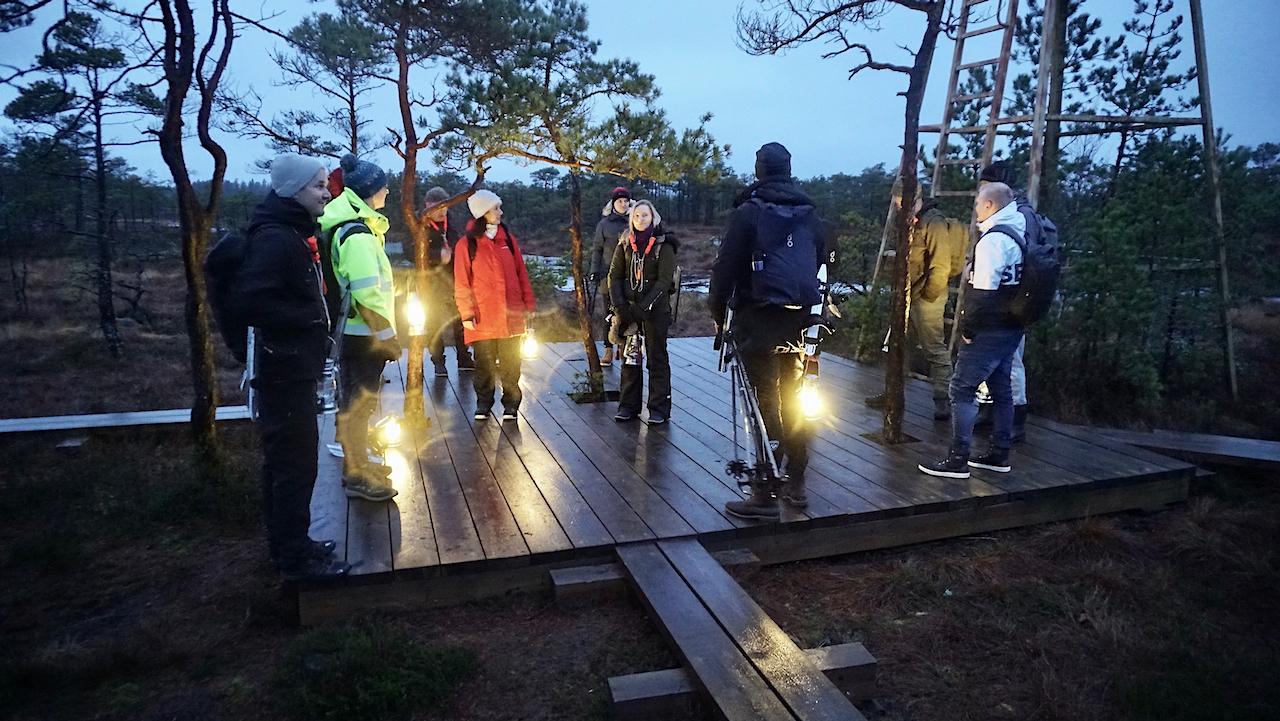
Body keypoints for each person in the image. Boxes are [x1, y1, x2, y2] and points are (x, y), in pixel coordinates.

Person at [234, 153, 349, 580]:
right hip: (283, 372)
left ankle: (291, 546)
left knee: (292, 463)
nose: (326, 191)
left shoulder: (291, 233)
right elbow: (251, 301)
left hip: (291, 369)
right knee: (294, 465)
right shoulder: (277, 239)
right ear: (293, 190)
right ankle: (294, 560)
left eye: (326, 184)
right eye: (319, 185)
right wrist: (309, 319)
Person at [710, 142, 828, 519]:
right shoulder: (810, 213)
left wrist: (717, 312)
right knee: (794, 398)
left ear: (759, 169)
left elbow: (725, 267)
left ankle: (764, 491)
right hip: (798, 319)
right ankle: (796, 481)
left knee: (764, 401)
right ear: (789, 170)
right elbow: (822, 265)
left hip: (756, 321)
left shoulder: (749, 212)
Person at [919, 182, 1025, 479]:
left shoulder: (992, 241)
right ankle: (999, 453)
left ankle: (958, 458)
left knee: (962, 389)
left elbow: (983, 292)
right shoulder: (1019, 232)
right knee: (1001, 388)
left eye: (978, 203)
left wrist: (967, 327)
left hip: (989, 328)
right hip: (1012, 326)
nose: (975, 208)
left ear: (990, 205)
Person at [320, 154, 399, 502]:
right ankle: (356, 475)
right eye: (383, 186)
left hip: (355, 334)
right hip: (363, 335)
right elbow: (366, 294)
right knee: (359, 404)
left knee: (356, 402)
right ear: (369, 191)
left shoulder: (354, 226)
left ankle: (359, 464)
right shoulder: (358, 235)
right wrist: (387, 338)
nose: (387, 191)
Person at [866, 194, 967, 420]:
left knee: (934, 348)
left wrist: (929, 295)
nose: (898, 204)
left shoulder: (934, 222)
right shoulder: (908, 220)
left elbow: (941, 265)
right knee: (896, 345)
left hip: (927, 295)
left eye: (901, 199)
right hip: (907, 293)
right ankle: (892, 393)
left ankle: (943, 400)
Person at [454, 189, 537, 422]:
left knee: (511, 364)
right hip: (482, 316)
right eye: (495, 208)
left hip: (511, 314)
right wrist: (467, 313)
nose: (500, 212)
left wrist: (528, 306)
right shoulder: (466, 244)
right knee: (484, 364)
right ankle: (483, 403)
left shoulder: (508, 241)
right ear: (483, 213)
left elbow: (522, 274)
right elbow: (462, 282)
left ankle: (511, 405)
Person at [976, 160, 1041, 441]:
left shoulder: (1018, 218)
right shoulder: (1011, 216)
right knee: (998, 363)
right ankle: (992, 414)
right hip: (1005, 302)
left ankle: (1015, 420)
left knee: (1011, 361)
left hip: (1010, 303)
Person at [607, 199, 676, 425]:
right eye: (636, 216)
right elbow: (614, 275)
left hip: (655, 310)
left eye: (644, 215)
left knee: (656, 358)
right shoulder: (625, 243)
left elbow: (665, 280)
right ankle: (628, 406)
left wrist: (644, 306)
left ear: (653, 217)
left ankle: (658, 408)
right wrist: (621, 307)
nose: (640, 220)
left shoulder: (663, 245)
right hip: (629, 311)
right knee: (631, 358)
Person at [421, 186, 474, 377]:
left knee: (460, 321)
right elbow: (409, 252)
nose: (442, 211)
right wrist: (436, 256)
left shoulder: (452, 223)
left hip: (454, 280)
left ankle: (464, 358)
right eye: (438, 208)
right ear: (428, 205)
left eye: (445, 207)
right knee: (434, 324)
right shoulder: (419, 225)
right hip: (431, 283)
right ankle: (438, 362)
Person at [590, 187, 632, 364]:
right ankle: (608, 349)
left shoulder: (634, 221)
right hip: (608, 276)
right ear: (613, 203)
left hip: (629, 276)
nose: (623, 204)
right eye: (619, 201)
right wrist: (594, 271)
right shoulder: (604, 224)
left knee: (627, 312)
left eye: (625, 201)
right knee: (608, 312)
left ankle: (623, 347)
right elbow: (597, 250)